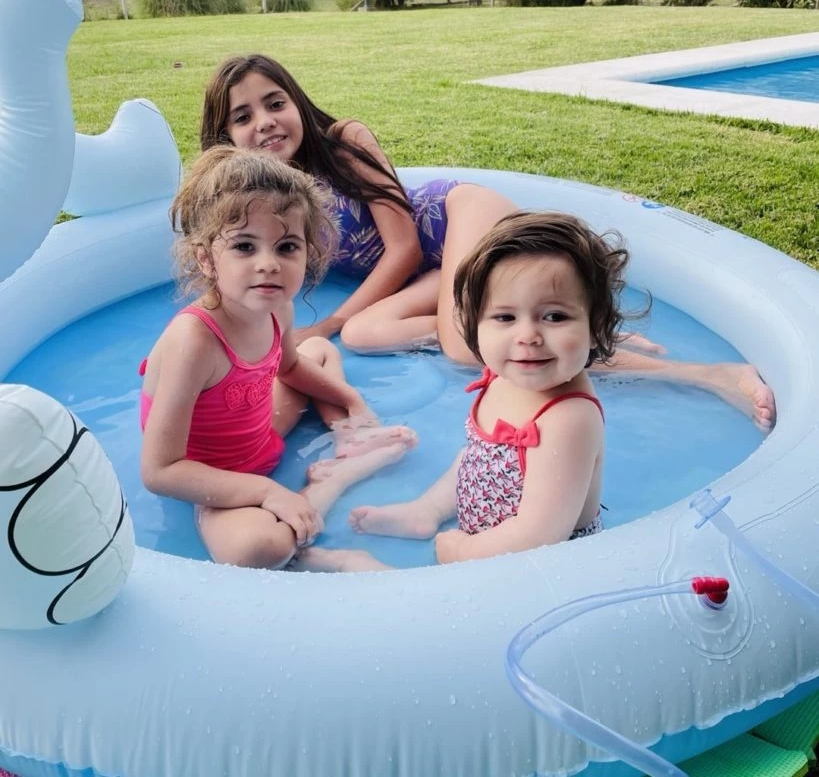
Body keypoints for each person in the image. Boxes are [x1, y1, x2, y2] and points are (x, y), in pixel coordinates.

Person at [200, 54, 775, 433]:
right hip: (433, 271)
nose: (267, 122)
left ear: (297, 101)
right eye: (244, 117)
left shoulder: (343, 141)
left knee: (457, 346)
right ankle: (534, 322)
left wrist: (319, 328)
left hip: (463, 221)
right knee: (365, 333)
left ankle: (711, 374)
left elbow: (399, 248)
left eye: (276, 102)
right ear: (226, 136)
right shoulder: (267, 197)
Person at [139, 146, 417, 570]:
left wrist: (351, 405)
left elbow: (288, 367)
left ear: (310, 252)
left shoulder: (277, 309)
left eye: (287, 247)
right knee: (255, 549)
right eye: (245, 247)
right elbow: (161, 471)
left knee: (319, 350)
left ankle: (345, 442)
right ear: (206, 259)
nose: (268, 264)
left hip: (259, 428)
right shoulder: (193, 342)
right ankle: (330, 497)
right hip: (215, 473)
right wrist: (267, 493)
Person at [296, 211, 622, 572]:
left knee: (423, 609)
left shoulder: (568, 418)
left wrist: (462, 552)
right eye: (505, 318)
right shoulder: (509, 374)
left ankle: (358, 566)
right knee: (475, 455)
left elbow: (538, 535)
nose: (527, 336)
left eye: (555, 317)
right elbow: (483, 460)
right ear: (475, 324)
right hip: (495, 528)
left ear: (595, 327)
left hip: (535, 564)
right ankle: (428, 510)